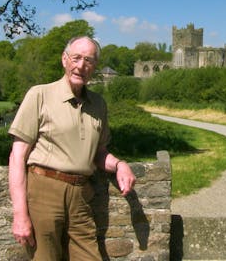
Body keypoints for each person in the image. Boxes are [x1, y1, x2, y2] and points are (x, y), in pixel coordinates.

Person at [8, 36, 136, 260]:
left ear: (95, 67)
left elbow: (98, 152)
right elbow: (17, 156)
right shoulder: (40, 95)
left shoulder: (98, 104)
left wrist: (119, 165)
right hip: (44, 191)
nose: (81, 66)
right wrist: (20, 214)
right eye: (76, 58)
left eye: (88, 60)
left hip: (81, 195)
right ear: (64, 60)